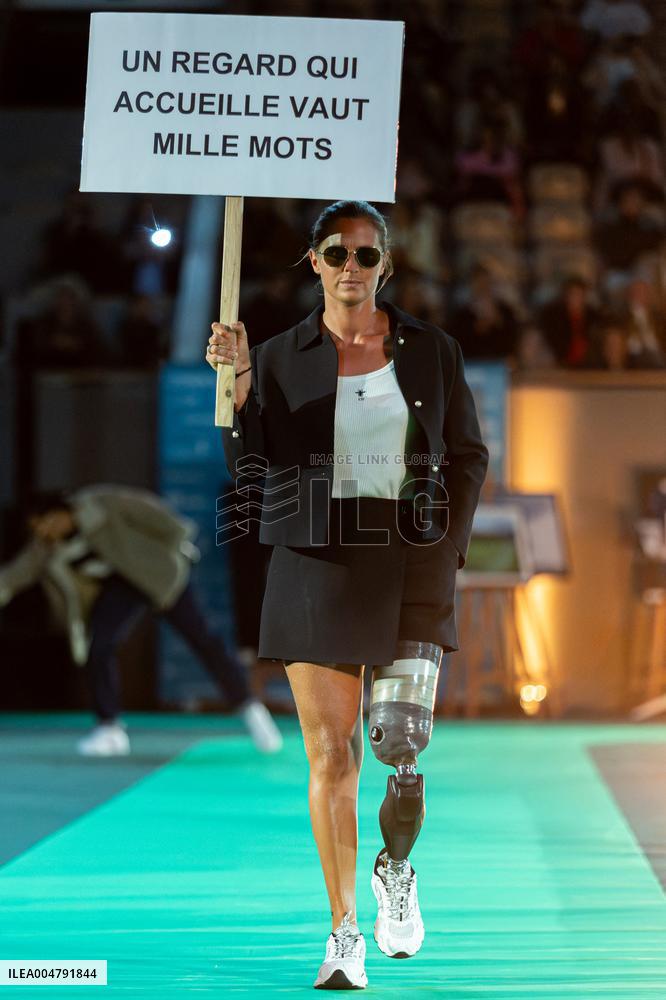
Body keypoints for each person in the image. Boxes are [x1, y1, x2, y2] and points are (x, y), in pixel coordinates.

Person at [206, 200, 489, 989]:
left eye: (367, 256)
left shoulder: (433, 350)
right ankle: (343, 933)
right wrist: (233, 390)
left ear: (386, 266)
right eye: (337, 254)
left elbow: (467, 455)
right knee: (333, 754)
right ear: (314, 263)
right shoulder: (276, 354)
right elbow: (249, 472)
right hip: (313, 565)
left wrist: (450, 550)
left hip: (410, 566)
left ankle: (394, 867)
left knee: (400, 747)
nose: (352, 269)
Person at [0, 486, 282, 756]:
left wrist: (176, 551)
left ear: (62, 511)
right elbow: (16, 575)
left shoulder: (102, 503)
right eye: (37, 527)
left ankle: (251, 710)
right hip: (122, 588)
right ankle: (109, 729)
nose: (44, 530)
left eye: (46, 521)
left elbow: (159, 518)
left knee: (202, 639)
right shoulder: (46, 546)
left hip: (161, 576)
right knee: (99, 644)